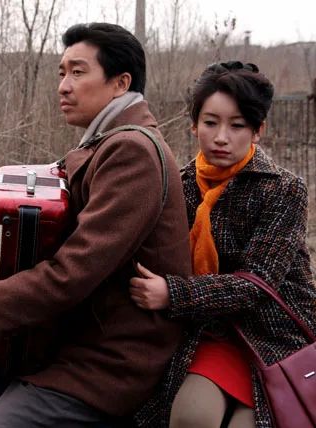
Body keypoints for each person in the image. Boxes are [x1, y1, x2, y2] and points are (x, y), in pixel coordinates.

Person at [0, 23, 192, 427]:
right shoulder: (104, 141)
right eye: (62, 73)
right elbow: (65, 231)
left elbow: (75, 269)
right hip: (75, 335)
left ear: (121, 83)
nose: (64, 86)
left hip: (110, 358)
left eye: (78, 72)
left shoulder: (131, 152)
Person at [130, 61, 316, 428]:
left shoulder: (282, 189)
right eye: (211, 123)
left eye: (237, 126)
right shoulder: (178, 186)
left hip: (273, 334)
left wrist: (172, 294)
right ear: (194, 125)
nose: (221, 137)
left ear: (258, 130)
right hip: (207, 333)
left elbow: (257, 284)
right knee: (191, 417)